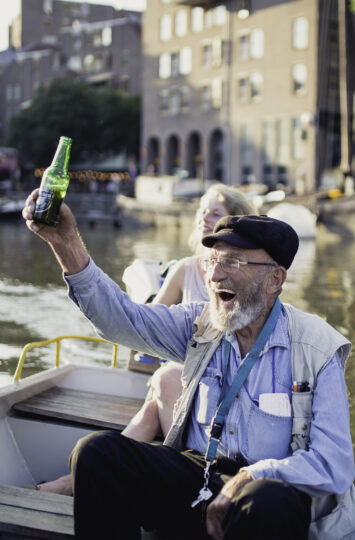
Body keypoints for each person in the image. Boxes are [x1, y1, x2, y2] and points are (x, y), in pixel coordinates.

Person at [22, 193, 355, 540]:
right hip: (199, 479)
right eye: (212, 261)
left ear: (275, 280)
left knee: (268, 499)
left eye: (233, 262)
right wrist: (66, 243)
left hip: (264, 496)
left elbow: (333, 464)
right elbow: (122, 320)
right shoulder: (201, 325)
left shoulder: (318, 348)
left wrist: (252, 475)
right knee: (97, 453)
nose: (215, 275)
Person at [39, 184, 255, 494]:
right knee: (164, 382)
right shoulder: (185, 269)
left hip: (213, 390)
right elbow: (146, 321)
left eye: (215, 213)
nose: (204, 217)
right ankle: (86, 480)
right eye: (202, 210)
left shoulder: (250, 282)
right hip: (177, 380)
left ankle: (84, 480)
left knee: (164, 381)